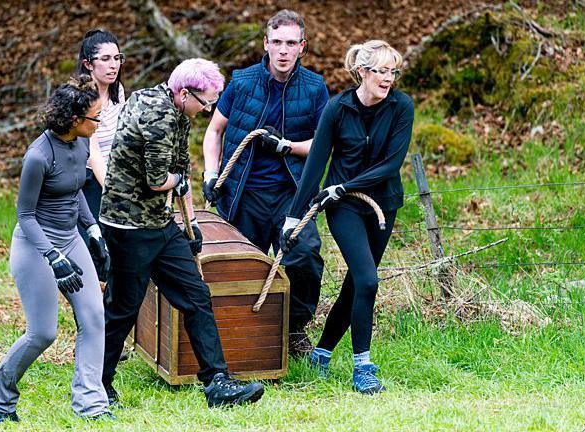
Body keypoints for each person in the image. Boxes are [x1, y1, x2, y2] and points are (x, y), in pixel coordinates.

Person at [98, 58, 265, 408]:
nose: (207, 111)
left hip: (160, 223)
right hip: (128, 226)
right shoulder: (157, 117)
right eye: (205, 103)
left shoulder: (179, 111)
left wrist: (193, 225)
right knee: (123, 309)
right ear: (184, 92)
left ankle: (217, 383)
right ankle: (97, 383)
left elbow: (181, 170)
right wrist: (181, 184)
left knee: (196, 296)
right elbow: (161, 181)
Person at [0, 75, 113, 422]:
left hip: (70, 237)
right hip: (36, 244)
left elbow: (75, 188)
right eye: (94, 118)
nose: (99, 123)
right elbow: (25, 214)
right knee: (43, 332)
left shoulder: (82, 143)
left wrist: (93, 230)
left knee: (94, 318)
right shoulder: (38, 156)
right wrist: (54, 258)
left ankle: (91, 405)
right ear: (73, 120)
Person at [282, 40, 414, 395]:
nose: (388, 79)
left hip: (382, 204)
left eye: (393, 72)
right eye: (381, 71)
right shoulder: (337, 108)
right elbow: (315, 164)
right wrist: (293, 219)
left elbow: (390, 164)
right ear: (362, 72)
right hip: (343, 208)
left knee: (357, 282)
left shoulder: (402, 107)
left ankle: (322, 353)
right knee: (368, 281)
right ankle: (363, 367)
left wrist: (344, 185)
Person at [201, 9, 329, 357]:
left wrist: (286, 146)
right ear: (265, 44)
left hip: (292, 194)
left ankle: (293, 329)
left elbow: (323, 143)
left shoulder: (316, 88)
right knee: (236, 266)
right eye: (277, 42)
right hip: (242, 193)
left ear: (302, 46)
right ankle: (237, 333)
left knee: (304, 258)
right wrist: (210, 173)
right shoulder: (241, 82)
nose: (283, 50)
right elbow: (214, 131)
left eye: (291, 43)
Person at [75, 29, 126, 268]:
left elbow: (122, 138)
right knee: (96, 252)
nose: (113, 65)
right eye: (105, 59)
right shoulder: (83, 97)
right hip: (86, 181)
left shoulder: (118, 91)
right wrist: (115, 192)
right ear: (88, 64)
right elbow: (93, 153)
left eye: (117, 58)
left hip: (112, 173)